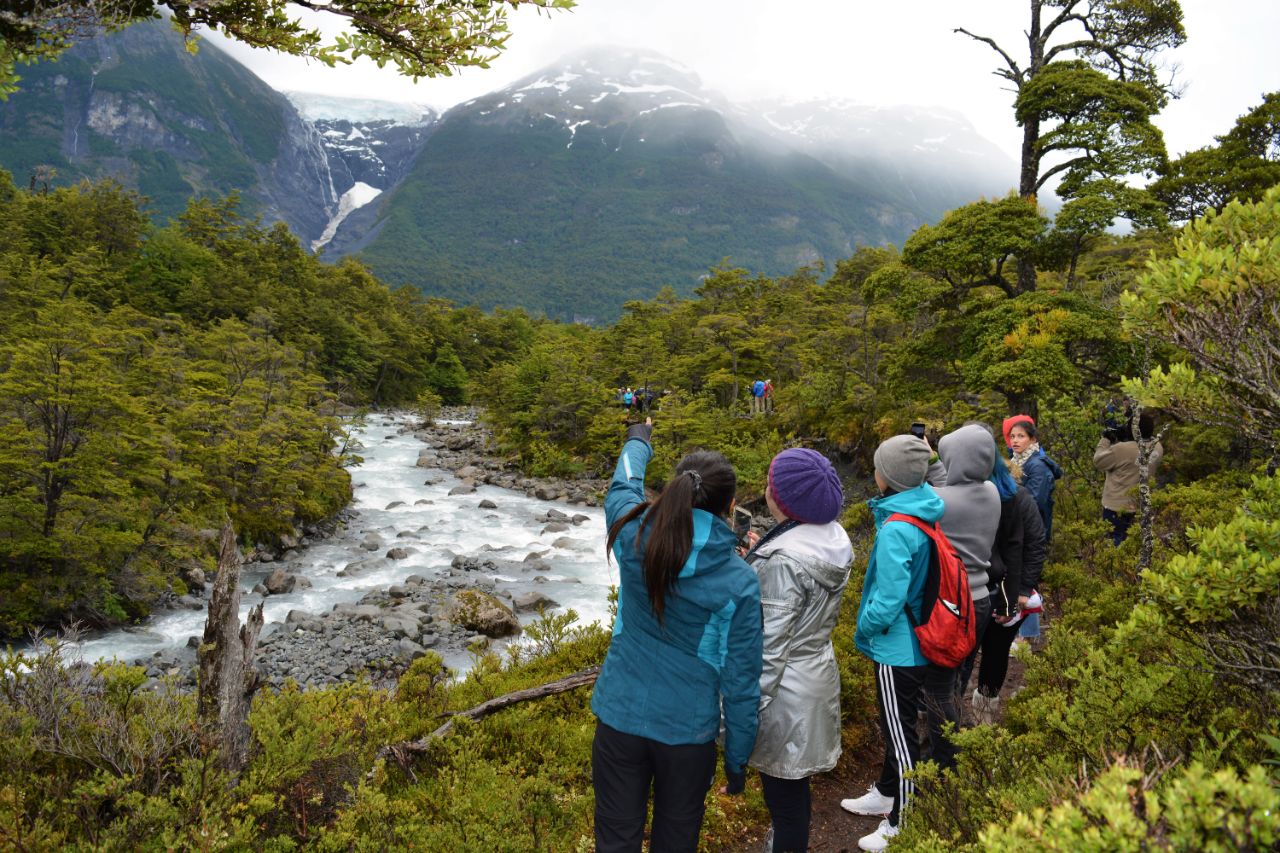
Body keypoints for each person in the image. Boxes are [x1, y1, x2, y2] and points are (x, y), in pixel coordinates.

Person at [592, 418, 764, 853]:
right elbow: (741, 683)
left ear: (675, 491)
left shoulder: (633, 536)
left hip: (620, 716)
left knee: (616, 839)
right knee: (677, 840)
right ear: (729, 509)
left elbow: (623, 487)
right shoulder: (738, 580)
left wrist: (638, 439)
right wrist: (737, 759)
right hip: (688, 734)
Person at [743, 448, 852, 853]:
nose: (767, 489)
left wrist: (739, 714)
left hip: (784, 693)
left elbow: (769, 648)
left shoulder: (785, 562)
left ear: (782, 500)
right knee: (793, 791)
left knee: (783, 797)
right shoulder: (833, 538)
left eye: (772, 484)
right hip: (815, 671)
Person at [842, 434, 944, 853]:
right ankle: (886, 792)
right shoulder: (921, 506)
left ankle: (903, 820)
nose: (874, 472)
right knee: (898, 726)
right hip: (917, 639)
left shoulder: (897, 528)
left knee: (901, 734)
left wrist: (864, 628)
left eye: (878, 466)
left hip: (898, 647)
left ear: (889, 477)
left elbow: (887, 600)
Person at [924, 423, 1000, 763]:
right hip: (981, 600)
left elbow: (930, 495)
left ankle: (944, 763)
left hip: (952, 605)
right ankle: (949, 749)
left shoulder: (938, 502)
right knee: (955, 682)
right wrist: (934, 460)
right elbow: (951, 484)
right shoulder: (991, 492)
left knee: (937, 689)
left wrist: (924, 460)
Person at [968, 451, 1046, 724]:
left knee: (995, 653)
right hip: (981, 590)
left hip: (1005, 591)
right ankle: (957, 718)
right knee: (977, 654)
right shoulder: (970, 497)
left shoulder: (1020, 500)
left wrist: (1023, 590)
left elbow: (1036, 544)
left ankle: (981, 719)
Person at [1002, 416, 1061, 642]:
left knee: (1027, 581)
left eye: (1021, 436)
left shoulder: (1036, 466)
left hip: (1033, 531)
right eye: (1012, 436)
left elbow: (1034, 503)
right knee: (1022, 578)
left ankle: (1026, 636)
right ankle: (1024, 633)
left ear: (1032, 439)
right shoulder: (1018, 461)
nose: (1015, 441)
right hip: (1024, 530)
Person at [1093, 411, 1163, 546]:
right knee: (1136, 544)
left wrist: (1106, 439)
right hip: (1141, 505)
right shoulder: (1158, 447)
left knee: (1115, 544)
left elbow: (1098, 461)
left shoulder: (1121, 449)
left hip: (1116, 506)